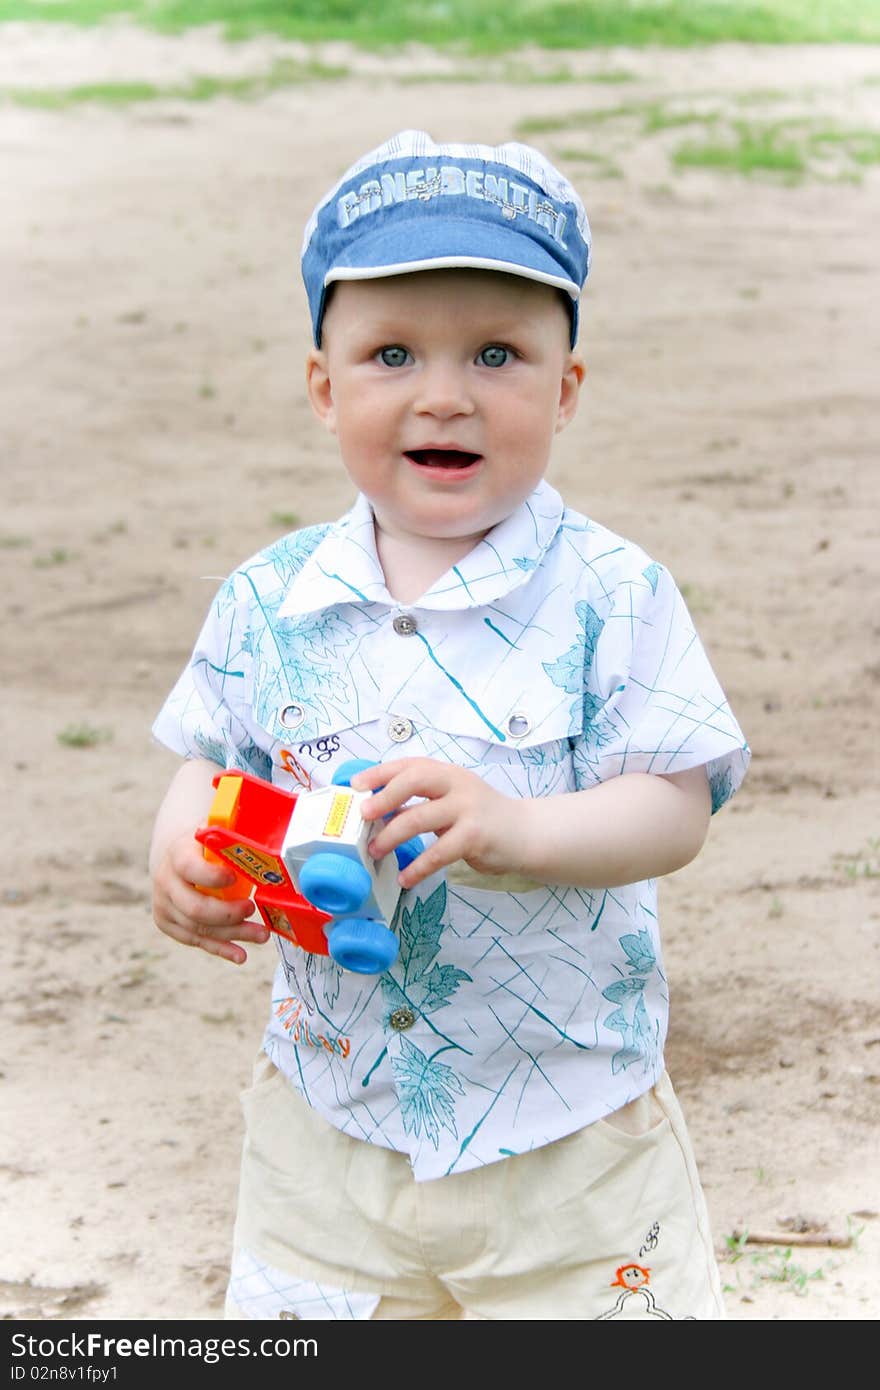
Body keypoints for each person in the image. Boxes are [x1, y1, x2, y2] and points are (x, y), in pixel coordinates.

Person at [150, 130, 750, 1321]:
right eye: (389, 354)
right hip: (330, 1131)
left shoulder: (613, 594)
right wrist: (183, 859)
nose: (443, 393)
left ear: (565, 388)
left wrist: (517, 829)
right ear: (324, 390)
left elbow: (676, 804)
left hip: (569, 1144)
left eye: (496, 353)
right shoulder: (269, 599)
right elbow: (212, 764)